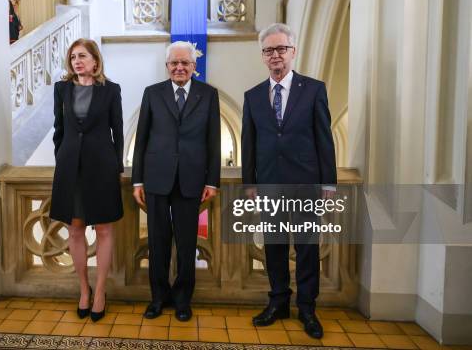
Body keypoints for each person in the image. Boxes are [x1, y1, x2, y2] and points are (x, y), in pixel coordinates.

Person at [241, 23, 336, 339]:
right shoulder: (253, 96)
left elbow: (325, 140)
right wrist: (249, 184)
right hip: (269, 185)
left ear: (293, 52)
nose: (275, 55)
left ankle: (307, 308)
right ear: (263, 57)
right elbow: (248, 143)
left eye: (281, 48)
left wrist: (328, 185)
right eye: (269, 50)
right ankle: (278, 302)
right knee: (274, 246)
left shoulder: (313, 89)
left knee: (307, 248)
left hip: (306, 184)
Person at [132, 41, 221, 322]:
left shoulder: (208, 95)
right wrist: (137, 181)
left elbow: (213, 141)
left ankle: (183, 300)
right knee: (157, 244)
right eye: (174, 63)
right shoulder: (152, 93)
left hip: (192, 180)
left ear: (194, 67)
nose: (179, 67)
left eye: (185, 63)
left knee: (186, 244)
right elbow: (142, 139)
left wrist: (213, 181)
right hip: (156, 179)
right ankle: (158, 298)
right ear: (167, 66)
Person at [49, 38, 124, 322]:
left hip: (102, 168)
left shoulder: (111, 90)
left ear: (95, 60)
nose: (77, 61)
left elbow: (118, 130)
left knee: (103, 230)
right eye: (73, 57)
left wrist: (116, 167)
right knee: (76, 228)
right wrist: (63, 157)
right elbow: (59, 128)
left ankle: (101, 291)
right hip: (70, 169)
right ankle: (83, 289)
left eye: (82, 56)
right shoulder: (61, 89)